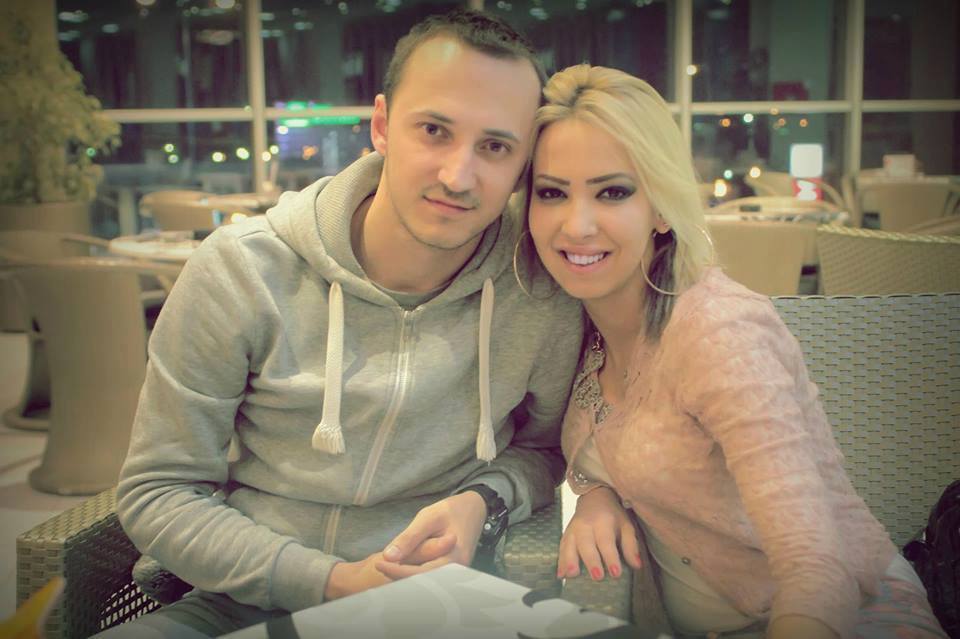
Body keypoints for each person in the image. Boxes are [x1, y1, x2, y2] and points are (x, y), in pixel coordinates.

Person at [103, 11, 584, 638]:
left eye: (495, 146)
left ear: (522, 165)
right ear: (382, 125)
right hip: (238, 602)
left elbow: (544, 450)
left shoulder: (537, 291)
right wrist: (331, 581)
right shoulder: (243, 271)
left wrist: (483, 500)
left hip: (438, 608)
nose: (457, 176)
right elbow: (159, 491)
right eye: (434, 130)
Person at [521, 64, 948, 639]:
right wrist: (597, 495)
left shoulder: (720, 332)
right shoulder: (575, 323)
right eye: (552, 192)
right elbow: (613, 447)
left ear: (662, 207)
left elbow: (814, 564)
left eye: (613, 192)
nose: (576, 225)